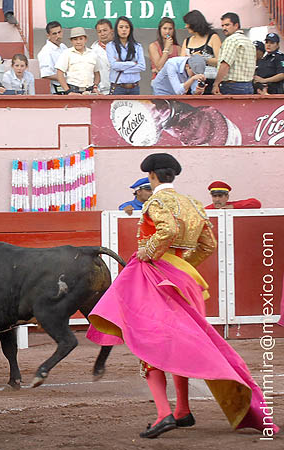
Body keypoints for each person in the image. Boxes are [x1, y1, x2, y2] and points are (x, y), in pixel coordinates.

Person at [87, 153, 277, 439]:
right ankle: (182, 411)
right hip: (184, 279)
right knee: (180, 345)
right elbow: (208, 245)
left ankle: (165, 412)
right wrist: (180, 266)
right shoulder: (195, 204)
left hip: (153, 277)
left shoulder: (156, 202)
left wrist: (148, 254)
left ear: (152, 176)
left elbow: (168, 230)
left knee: (150, 341)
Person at [212, 12, 255, 95]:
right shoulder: (248, 41)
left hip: (232, 86)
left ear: (236, 25)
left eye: (227, 25)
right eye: (223, 26)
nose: (224, 28)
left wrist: (216, 84)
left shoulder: (231, 40)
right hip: (248, 85)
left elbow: (225, 64)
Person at [181, 10, 221, 95]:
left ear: (194, 24)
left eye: (187, 24)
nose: (186, 26)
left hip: (208, 81)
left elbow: (220, 61)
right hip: (191, 82)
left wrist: (202, 59)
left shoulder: (213, 37)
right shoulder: (187, 41)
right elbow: (181, 62)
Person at [106, 16, 145, 95]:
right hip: (118, 88)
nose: (124, 29)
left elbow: (142, 66)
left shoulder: (137, 46)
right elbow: (114, 65)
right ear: (116, 29)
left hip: (134, 87)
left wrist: (122, 68)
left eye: (127, 27)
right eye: (121, 27)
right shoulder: (110, 46)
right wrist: (133, 63)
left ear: (130, 29)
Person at [55, 27, 100, 95]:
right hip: (73, 91)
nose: (78, 42)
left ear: (85, 39)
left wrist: (95, 87)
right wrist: (68, 91)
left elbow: (97, 73)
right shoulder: (66, 53)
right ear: (71, 41)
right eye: (75, 39)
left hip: (89, 92)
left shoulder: (93, 54)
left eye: (81, 39)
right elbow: (59, 73)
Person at [37, 20, 67, 94]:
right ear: (48, 36)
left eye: (59, 32)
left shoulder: (63, 47)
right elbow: (46, 74)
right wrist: (67, 78)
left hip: (70, 85)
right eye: (54, 34)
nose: (58, 36)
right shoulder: (45, 52)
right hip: (59, 89)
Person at [90, 18, 113, 95]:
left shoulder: (121, 47)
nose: (102, 34)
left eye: (105, 30)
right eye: (99, 32)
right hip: (101, 91)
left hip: (119, 89)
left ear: (112, 30)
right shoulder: (92, 51)